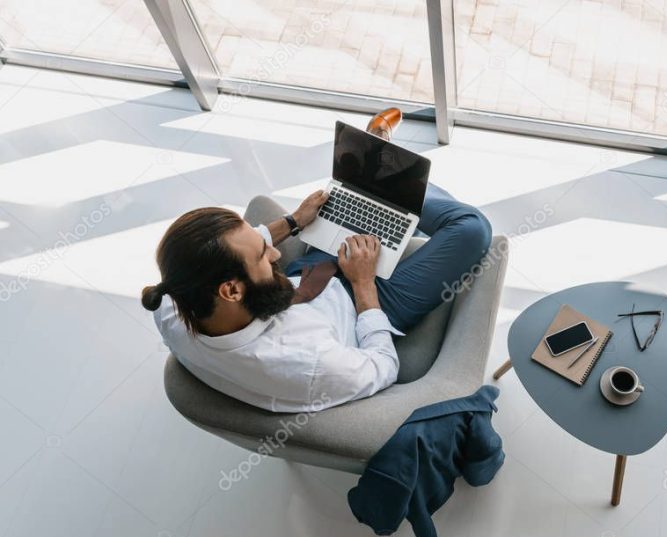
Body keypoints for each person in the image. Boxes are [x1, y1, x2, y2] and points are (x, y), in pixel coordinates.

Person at [141, 109, 492, 413]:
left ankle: (380, 158)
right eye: (264, 256)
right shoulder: (306, 364)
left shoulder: (171, 303)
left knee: (349, 195)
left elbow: (238, 254)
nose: (276, 252)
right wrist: (363, 283)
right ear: (231, 290)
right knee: (472, 228)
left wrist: (294, 220)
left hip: (306, 279)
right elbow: (383, 367)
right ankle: (386, 160)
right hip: (365, 306)